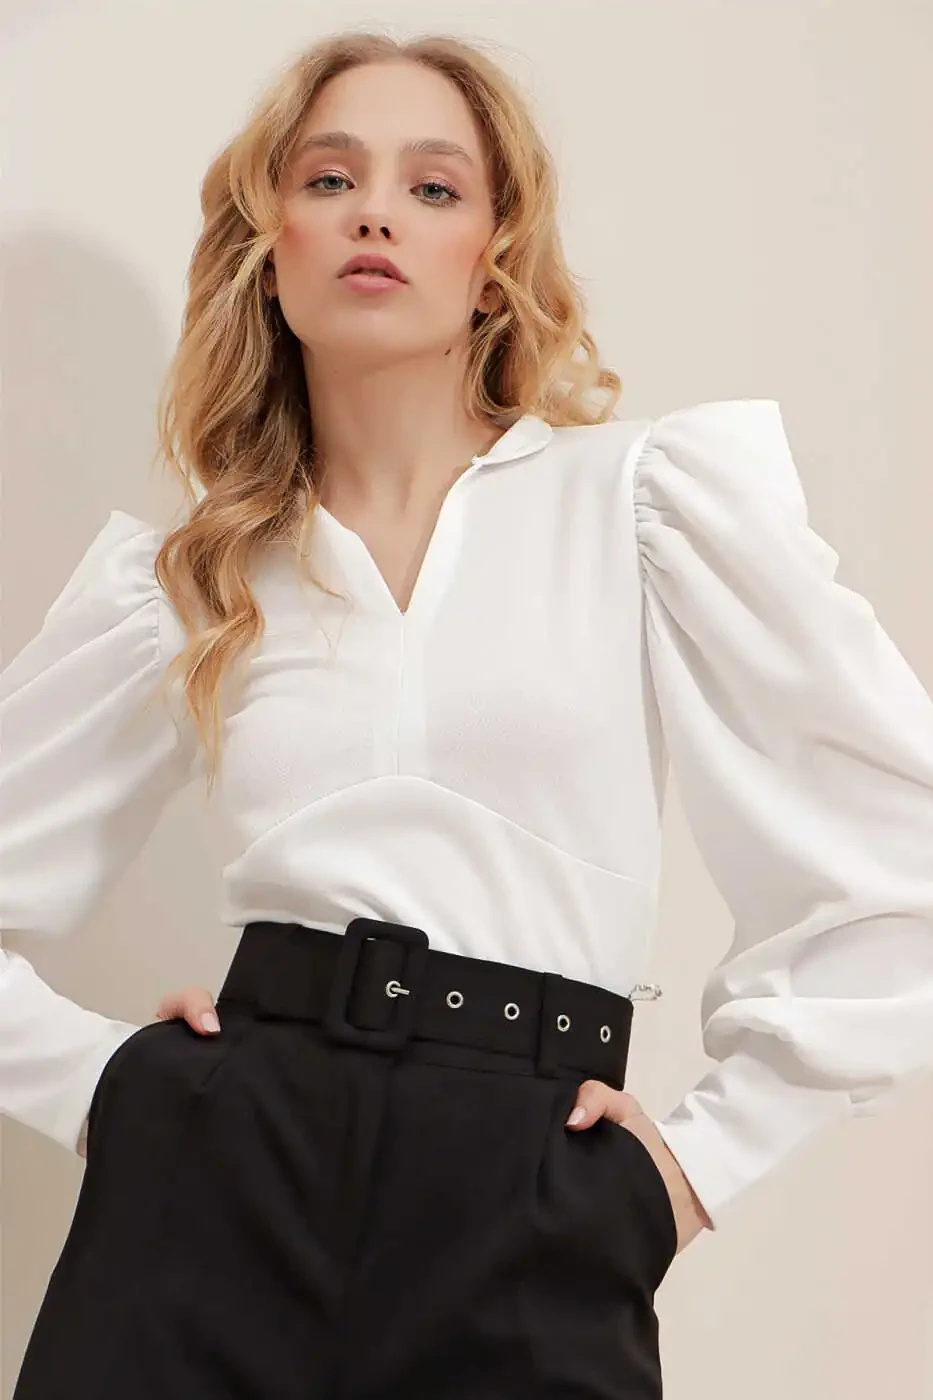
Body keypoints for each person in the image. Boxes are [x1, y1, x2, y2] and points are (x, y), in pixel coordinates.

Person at [5, 26, 933, 1400]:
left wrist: (688, 1171)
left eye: (433, 186)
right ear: (269, 244)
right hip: (215, 1194)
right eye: (329, 178)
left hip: (530, 1202)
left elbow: (898, 862)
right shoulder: (192, 580)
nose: (374, 211)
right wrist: (106, 1089)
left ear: (495, 260)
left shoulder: (640, 508)